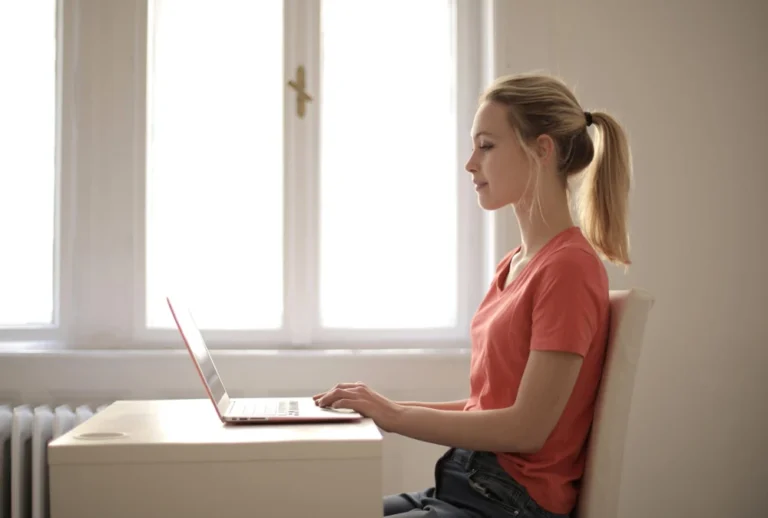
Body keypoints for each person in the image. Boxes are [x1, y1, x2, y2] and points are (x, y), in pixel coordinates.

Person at [314, 72, 632, 518]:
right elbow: (490, 408)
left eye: (486, 145)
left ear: (542, 149)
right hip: (467, 486)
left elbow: (527, 428)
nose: (470, 163)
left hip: (506, 503)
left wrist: (396, 417)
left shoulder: (569, 268)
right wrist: (382, 407)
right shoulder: (515, 263)